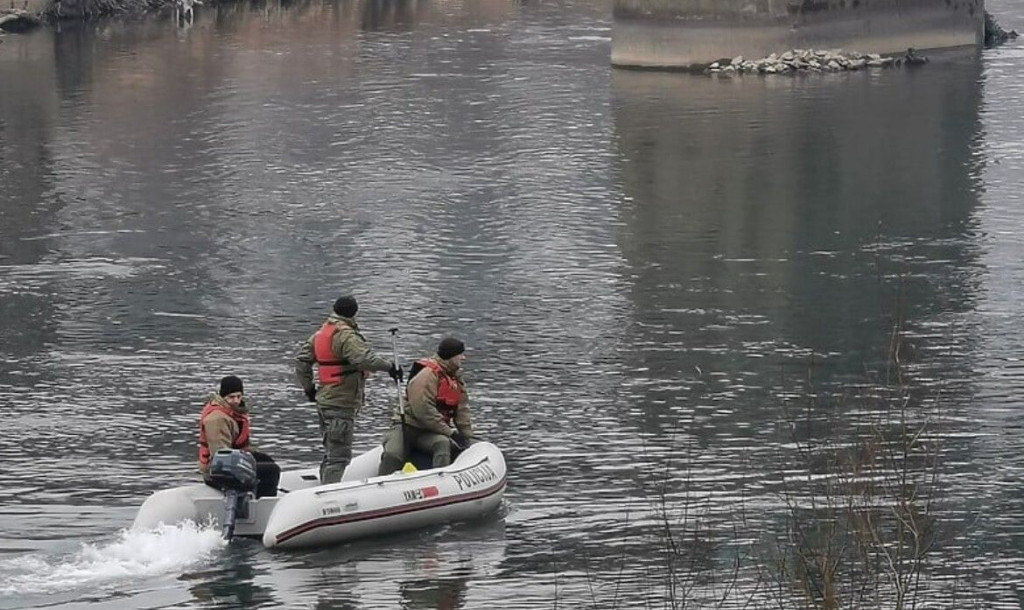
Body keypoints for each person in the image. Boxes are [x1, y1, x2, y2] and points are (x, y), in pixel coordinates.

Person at [295, 295, 403, 484]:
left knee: (331, 450)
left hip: (324, 399)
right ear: (354, 313)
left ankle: (324, 484)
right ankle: (327, 494)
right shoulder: (346, 336)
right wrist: (390, 367)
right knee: (339, 456)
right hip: (340, 402)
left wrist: (309, 389)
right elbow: (365, 359)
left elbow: (302, 361)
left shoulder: (321, 333)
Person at [378, 337, 474, 475]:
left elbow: (462, 411)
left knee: (442, 443)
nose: (463, 358)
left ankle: (440, 480)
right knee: (393, 454)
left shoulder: (456, 379)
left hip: (430, 432)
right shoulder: (427, 376)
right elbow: (423, 411)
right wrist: (450, 432)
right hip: (408, 427)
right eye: (460, 354)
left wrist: (467, 436)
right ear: (451, 356)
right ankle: (381, 483)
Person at [198, 375, 280, 498]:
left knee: (266, 460)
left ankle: (258, 495)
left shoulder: (233, 413)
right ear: (223, 397)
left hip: (233, 459)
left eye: (239, 396)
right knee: (271, 471)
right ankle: (264, 505)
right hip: (217, 470)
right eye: (231, 397)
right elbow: (220, 455)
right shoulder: (217, 419)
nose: (236, 400)